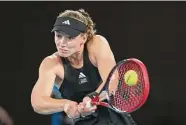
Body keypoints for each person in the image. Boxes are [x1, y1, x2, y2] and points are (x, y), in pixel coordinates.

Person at [31, 9, 136, 125]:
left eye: (70, 38)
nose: (62, 43)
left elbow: (112, 81)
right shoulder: (51, 63)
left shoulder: (97, 44)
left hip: (117, 119)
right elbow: (38, 102)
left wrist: (93, 98)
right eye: (58, 35)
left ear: (84, 38)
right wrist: (66, 104)